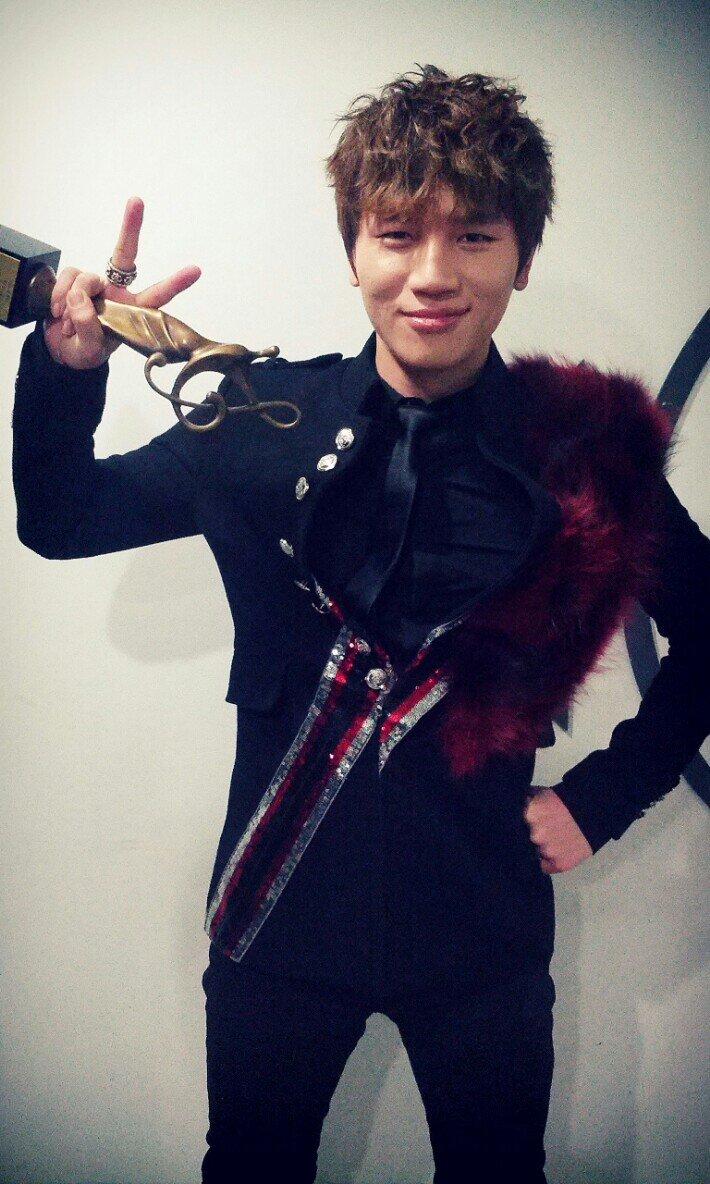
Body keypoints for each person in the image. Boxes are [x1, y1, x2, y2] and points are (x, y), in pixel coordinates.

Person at [12, 64, 709, 1183]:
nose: (432, 274)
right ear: (354, 250)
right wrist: (62, 371)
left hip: (482, 932)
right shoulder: (258, 418)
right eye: (396, 233)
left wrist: (603, 797)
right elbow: (60, 518)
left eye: (473, 236)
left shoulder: (588, 453)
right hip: (276, 918)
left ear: (522, 256)